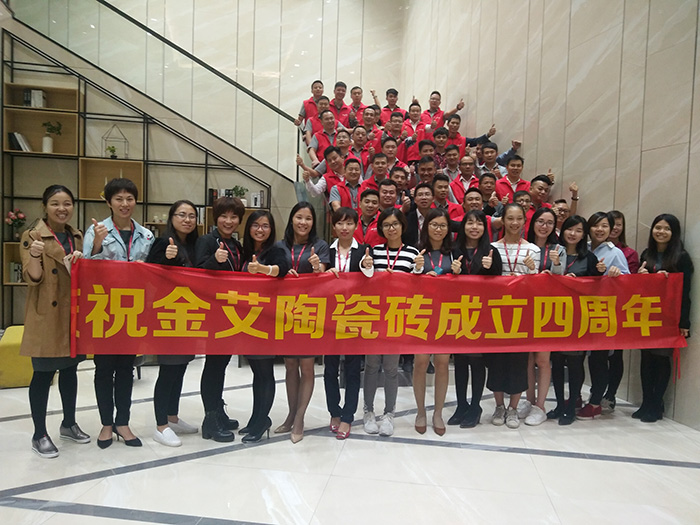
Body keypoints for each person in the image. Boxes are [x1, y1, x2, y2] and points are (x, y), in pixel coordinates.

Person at [83, 178, 155, 449]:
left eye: (130, 199)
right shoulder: (96, 231)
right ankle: (106, 424)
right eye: (119, 199)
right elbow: (86, 270)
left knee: (126, 368)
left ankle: (122, 422)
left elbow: (153, 274)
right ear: (109, 202)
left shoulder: (146, 235)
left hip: (133, 310)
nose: (125, 204)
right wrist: (97, 244)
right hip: (103, 309)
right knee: (103, 368)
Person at [20, 185, 89, 458]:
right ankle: (39, 434)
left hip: (73, 314)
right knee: (43, 374)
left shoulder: (76, 235)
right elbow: (33, 278)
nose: (62, 208)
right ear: (45, 206)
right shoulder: (33, 235)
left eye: (67, 203)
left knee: (70, 371)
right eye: (55, 203)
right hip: (47, 314)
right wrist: (35, 255)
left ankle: (69, 423)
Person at [362, 208, 423, 437]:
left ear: (402, 226)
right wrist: (366, 266)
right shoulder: (375, 251)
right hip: (374, 315)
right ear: (381, 228)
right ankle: (368, 411)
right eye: (386, 225)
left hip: (397, 317)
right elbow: (365, 279)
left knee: (390, 368)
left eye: (395, 224)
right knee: (371, 366)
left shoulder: (412, 252)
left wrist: (419, 267)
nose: (391, 228)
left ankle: (389, 414)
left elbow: (417, 282)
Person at [146, 200, 200, 447]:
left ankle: (172, 417)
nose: (187, 220)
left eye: (192, 216)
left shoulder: (193, 245)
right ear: (172, 217)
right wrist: (166, 260)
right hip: (167, 314)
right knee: (168, 369)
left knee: (181, 367)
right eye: (182, 215)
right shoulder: (163, 242)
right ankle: (161, 426)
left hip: (189, 313)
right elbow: (150, 274)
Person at [275, 202, 330, 443]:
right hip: (285, 312)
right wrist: (282, 274)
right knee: (290, 365)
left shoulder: (320, 246)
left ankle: (300, 418)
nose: (303, 222)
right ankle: (290, 414)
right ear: (292, 219)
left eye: (308, 218)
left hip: (310, 311)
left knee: (307, 366)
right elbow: (273, 272)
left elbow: (324, 274)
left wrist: (318, 268)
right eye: (299, 217)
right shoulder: (280, 246)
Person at [194, 197, 246, 442]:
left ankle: (217, 409)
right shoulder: (206, 241)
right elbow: (196, 272)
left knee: (222, 364)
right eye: (224, 216)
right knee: (213, 365)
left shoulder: (236, 245)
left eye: (234, 217)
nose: (229, 221)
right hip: (213, 313)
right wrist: (215, 260)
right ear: (216, 218)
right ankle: (210, 420)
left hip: (232, 314)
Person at [636, 214, 693, 423]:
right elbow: (638, 288)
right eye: (657, 227)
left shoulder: (681, 257)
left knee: (661, 359)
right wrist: (640, 276)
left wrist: (684, 322)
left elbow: (685, 291)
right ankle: (646, 402)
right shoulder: (646, 254)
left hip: (669, 318)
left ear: (674, 233)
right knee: (646, 359)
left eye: (666, 229)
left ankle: (656, 405)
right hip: (647, 315)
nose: (661, 232)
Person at [449, 209, 503, 428]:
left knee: (477, 361)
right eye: (470, 223)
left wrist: (490, 270)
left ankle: (475, 406)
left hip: (482, 314)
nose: (474, 227)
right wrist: (453, 273)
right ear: (463, 226)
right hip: (458, 312)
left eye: (479, 223)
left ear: (484, 227)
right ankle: (461, 405)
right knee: (460, 362)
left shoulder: (491, 251)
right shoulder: (454, 249)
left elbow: (499, 286)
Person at [239, 210, 290, 442]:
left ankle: (262, 421)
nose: (260, 230)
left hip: (265, 321)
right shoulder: (245, 251)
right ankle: (256, 418)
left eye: (265, 226)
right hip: (245, 320)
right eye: (256, 225)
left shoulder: (275, 250)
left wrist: (262, 270)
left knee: (265, 372)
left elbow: (282, 269)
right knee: (257, 373)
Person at [488, 203, 540, 429]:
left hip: (521, 312)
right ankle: (499, 406)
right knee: (496, 361)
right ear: (503, 220)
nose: (514, 223)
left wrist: (532, 271)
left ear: (524, 221)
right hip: (496, 312)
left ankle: (513, 408)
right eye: (510, 218)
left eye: (519, 218)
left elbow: (537, 285)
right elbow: (486, 281)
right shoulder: (492, 248)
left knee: (519, 361)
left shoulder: (533, 250)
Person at [549, 215, 604, 425]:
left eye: (579, 230)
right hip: (553, 316)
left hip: (578, 319)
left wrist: (584, 279)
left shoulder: (589, 258)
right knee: (556, 363)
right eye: (570, 229)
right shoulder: (554, 252)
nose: (573, 234)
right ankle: (560, 405)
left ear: (584, 235)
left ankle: (572, 405)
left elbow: (597, 288)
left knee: (574, 364)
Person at [577, 212, 629, 419]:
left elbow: (628, 282)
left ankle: (596, 402)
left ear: (611, 229)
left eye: (605, 226)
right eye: (596, 225)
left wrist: (617, 275)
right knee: (579, 358)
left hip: (603, 313)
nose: (600, 230)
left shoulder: (615, 253)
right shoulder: (583, 248)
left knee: (598, 359)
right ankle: (579, 397)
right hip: (580, 311)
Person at [324, 208, 370, 440]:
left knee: (352, 368)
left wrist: (368, 266)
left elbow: (370, 280)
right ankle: (334, 411)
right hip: (329, 317)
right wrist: (322, 270)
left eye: (349, 223)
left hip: (354, 315)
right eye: (340, 223)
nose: (344, 228)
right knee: (330, 368)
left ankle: (348, 416)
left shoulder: (363, 251)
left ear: (355, 226)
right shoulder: (326, 250)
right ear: (334, 226)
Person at [520, 208, 566, 425]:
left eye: (549, 223)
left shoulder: (558, 250)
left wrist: (555, 268)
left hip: (547, 310)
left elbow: (563, 280)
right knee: (528, 359)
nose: (544, 226)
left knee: (543, 359)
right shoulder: (524, 247)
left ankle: (540, 406)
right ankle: (529, 401)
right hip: (525, 309)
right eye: (540, 221)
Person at [412, 208, 454, 436]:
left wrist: (457, 274)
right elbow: (405, 283)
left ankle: (438, 412)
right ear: (426, 227)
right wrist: (417, 271)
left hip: (446, 315)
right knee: (420, 362)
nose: (438, 229)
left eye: (443, 225)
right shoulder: (416, 251)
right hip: (421, 314)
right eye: (434, 225)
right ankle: (420, 411)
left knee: (442, 363)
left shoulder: (454, 253)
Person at [601, 210, 640, 412]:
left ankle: (610, 395)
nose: (614, 228)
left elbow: (630, 282)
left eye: (618, 224)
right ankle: (597, 394)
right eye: (611, 224)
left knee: (615, 355)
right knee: (597, 356)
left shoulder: (628, 253)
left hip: (618, 309)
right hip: (596, 309)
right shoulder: (592, 248)